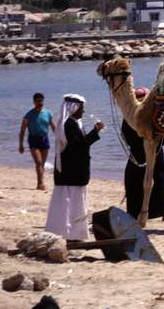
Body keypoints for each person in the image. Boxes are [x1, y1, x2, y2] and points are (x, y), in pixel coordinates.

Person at [45, 94, 104, 242]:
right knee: (70, 203)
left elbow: (81, 144)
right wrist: (95, 132)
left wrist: (93, 132)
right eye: (81, 108)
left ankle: (74, 234)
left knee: (75, 203)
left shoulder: (75, 123)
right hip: (71, 173)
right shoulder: (68, 125)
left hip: (75, 172)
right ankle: (69, 234)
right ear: (73, 108)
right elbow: (79, 146)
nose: (83, 112)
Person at [122, 87, 164, 221]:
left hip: (143, 153)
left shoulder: (134, 116)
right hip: (144, 153)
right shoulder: (151, 115)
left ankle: (159, 211)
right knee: (143, 181)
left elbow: (126, 136)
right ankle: (160, 212)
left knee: (158, 180)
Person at [19, 92, 56, 190]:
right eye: (38, 101)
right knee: (39, 162)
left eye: (42, 101)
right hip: (33, 140)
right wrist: (21, 145)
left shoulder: (48, 113)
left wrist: (61, 139)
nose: (40, 103)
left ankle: (40, 182)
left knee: (42, 164)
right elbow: (22, 130)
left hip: (44, 139)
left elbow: (54, 127)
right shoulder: (28, 115)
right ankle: (40, 184)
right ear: (34, 102)